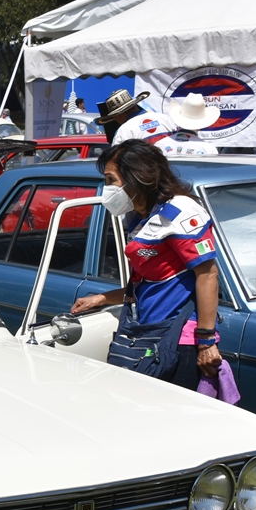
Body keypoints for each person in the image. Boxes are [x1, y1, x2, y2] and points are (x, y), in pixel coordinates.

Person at [70, 139, 222, 389]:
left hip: (177, 340)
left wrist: (206, 340)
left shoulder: (180, 211)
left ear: (137, 177)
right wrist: (103, 298)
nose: (106, 188)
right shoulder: (139, 217)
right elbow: (150, 281)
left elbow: (207, 275)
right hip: (145, 335)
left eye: (110, 180)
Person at [96, 88, 179, 147]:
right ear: (135, 104)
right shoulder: (165, 119)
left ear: (118, 115)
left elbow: (119, 161)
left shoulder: (123, 131)